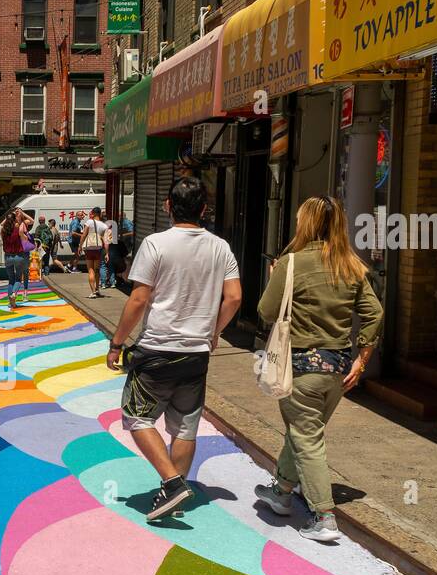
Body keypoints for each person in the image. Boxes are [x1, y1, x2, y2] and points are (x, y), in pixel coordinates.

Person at [106, 176, 242, 522]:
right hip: (196, 352)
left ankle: (171, 482)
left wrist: (117, 342)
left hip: (157, 349)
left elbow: (139, 298)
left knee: (137, 417)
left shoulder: (155, 244)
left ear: (167, 205)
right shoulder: (221, 248)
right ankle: (174, 496)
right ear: (204, 209)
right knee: (184, 427)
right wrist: (214, 331)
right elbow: (235, 297)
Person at [253, 195, 384, 543]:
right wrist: (362, 359)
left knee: (307, 437)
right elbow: (375, 313)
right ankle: (281, 491)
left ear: (304, 223)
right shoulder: (352, 265)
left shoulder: (291, 263)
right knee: (303, 431)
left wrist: (275, 279)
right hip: (338, 370)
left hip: (301, 367)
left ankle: (323, 515)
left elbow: (266, 312)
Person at [0, 210, 33, 308]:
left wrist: (8, 217)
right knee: (18, 278)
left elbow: (3, 227)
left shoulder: (3, 230)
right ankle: (14, 294)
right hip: (19, 256)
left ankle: (11, 302)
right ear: (14, 220)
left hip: (8, 256)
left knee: (11, 279)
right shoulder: (18, 228)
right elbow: (25, 239)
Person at [81, 207, 110, 299]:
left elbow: (84, 234)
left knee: (90, 270)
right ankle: (97, 289)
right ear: (100, 214)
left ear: (93, 214)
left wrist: (80, 245)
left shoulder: (89, 222)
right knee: (97, 270)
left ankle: (93, 292)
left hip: (89, 248)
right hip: (98, 248)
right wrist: (107, 253)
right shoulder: (104, 226)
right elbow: (106, 241)